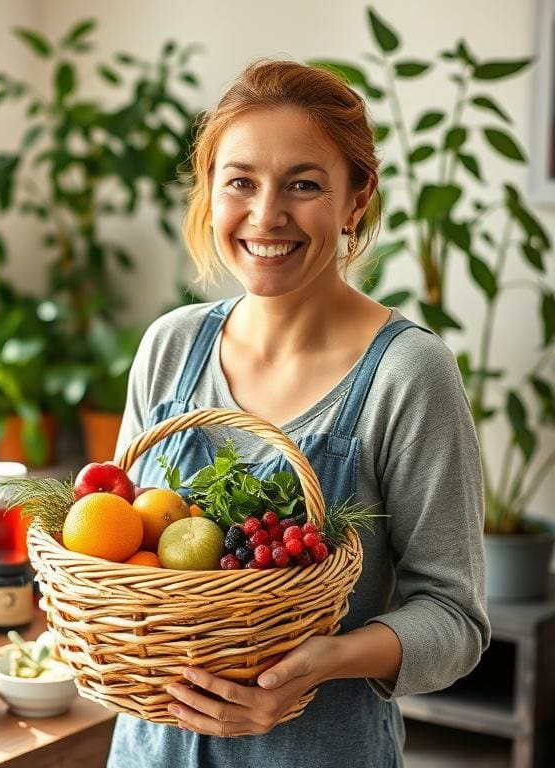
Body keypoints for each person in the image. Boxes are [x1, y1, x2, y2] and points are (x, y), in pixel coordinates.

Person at [107, 59, 490, 768]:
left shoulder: (406, 375)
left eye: (304, 184)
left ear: (355, 199)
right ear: (211, 191)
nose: (266, 215)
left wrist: (324, 661)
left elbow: (455, 620)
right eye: (240, 182)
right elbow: (110, 542)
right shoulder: (171, 346)